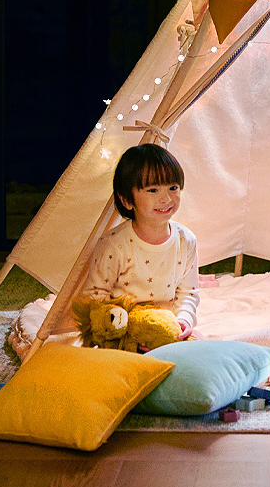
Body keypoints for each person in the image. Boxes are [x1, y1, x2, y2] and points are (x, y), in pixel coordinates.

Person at [85, 143, 199, 340]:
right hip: (125, 330)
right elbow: (95, 294)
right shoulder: (114, 244)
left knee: (201, 350)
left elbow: (188, 293)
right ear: (127, 200)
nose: (166, 198)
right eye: (153, 190)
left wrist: (184, 320)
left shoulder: (186, 240)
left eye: (173, 188)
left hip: (166, 328)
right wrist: (117, 325)